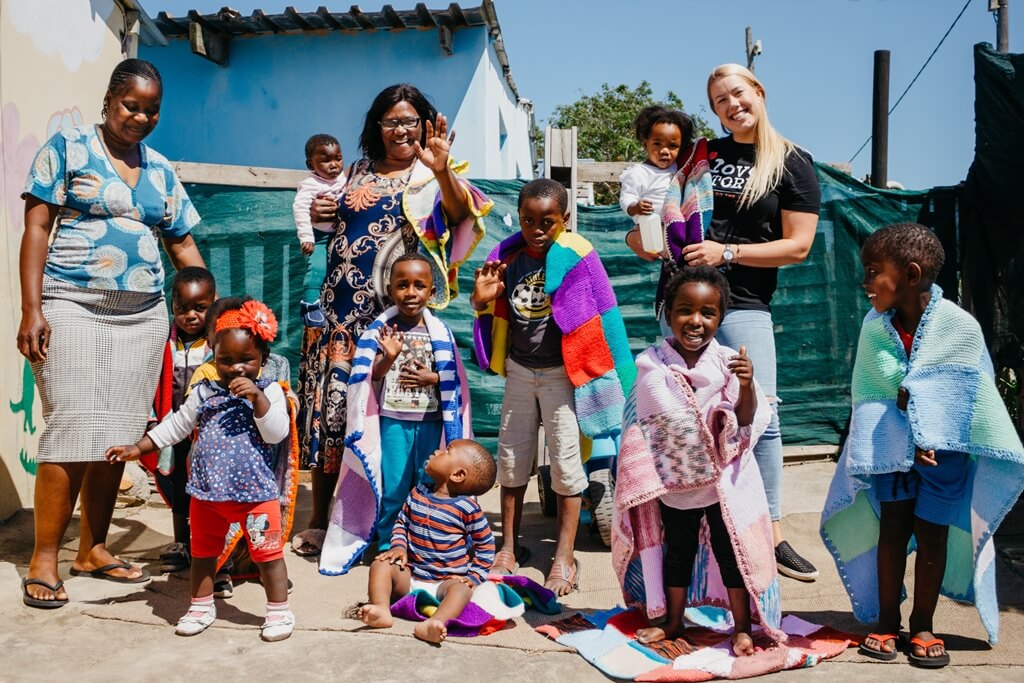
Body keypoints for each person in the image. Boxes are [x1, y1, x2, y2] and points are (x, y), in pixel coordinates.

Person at [17, 58, 204, 609]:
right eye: (131, 105)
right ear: (108, 99)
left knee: (117, 434)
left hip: (143, 315)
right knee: (71, 426)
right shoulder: (69, 147)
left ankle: (93, 549)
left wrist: (210, 305)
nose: (141, 117)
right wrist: (33, 310)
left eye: (151, 109)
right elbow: (36, 227)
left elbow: (183, 245)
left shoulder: (161, 169)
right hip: (72, 304)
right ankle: (45, 557)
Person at [633, 64, 821, 581]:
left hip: (743, 304)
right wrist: (647, 238)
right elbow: (654, 222)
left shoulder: (792, 162)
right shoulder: (701, 155)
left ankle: (770, 533)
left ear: (758, 92)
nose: (731, 105)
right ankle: (689, 531)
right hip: (682, 300)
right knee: (680, 415)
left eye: (737, 94)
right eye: (719, 101)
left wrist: (728, 251)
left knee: (759, 417)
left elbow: (798, 245)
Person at [296, 83, 491, 560]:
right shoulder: (357, 170)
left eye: (409, 121)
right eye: (391, 121)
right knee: (335, 414)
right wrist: (322, 210)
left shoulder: (431, 174)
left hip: (393, 318)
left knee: (391, 421)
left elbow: (458, 213)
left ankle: (397, 525)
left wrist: (441, 169)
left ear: (425, 127)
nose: (400, 130)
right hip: (341, 310)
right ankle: (327, 522)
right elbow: (329, 222)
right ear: (376, 127)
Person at [821, 223, 1024, 668]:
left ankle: (924, 622)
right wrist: (908, 434)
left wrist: (933, 427)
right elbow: (874, 397)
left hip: (945, 455)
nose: (865, 282)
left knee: (932, 536)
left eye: (874, 271)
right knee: (892, 530)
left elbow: (970, 394)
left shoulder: (961, 329)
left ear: (910, 275)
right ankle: (888, 621)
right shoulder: (875, 328)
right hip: (892, 452)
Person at [472, 178, 634, 596]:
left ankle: (564, 555)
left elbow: (605, 312)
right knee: (511, 460)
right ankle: (507, 547)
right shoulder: (507, 258)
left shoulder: (579, 257)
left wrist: (621, 373)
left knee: (565, 463)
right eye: (528, 220)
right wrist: (480, 301)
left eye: (548, 221)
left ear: (565, 219)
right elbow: (488, 308)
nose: (537, 229)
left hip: (565, 374)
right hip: (520, 371)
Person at [106, 298, 295, 641]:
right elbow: (176, 425)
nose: (236, 368)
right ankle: (201, 604)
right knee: (203, 554)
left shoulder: (270, 392)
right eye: (226, 360)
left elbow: (276, 432)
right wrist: (138, 447)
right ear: (213, 357)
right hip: (207, 495)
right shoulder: (205, 391)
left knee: (267, 555)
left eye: (247, 360)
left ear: (263, 360)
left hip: (256, 496)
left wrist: (257, 399)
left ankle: (279, 611)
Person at [613, 265, 780, 655]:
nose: (696, 321)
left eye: (708, 313)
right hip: (673, 482)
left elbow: (746, 419)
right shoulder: (651, 365)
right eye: (685, 310)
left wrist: (744, 384)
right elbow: (642, 421)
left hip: (723, 482)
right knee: (679, 552)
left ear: (720, 318)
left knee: (731, 552)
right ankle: (673, 621)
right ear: (667, 312)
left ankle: (741, 626)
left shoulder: (728, 363)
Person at [359, 439, 496, 644]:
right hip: (412, 575)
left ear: (457, 475)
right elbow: (402, 523)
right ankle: (381, 608)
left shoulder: (467, 508)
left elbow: (485, 545)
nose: (438, 450)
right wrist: (398, 546)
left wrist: (475, 576)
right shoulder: (418, 493)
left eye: (447, 451)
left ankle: (436, 622)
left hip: (446, 583)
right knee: (380, 564)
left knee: (462, 590)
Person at [157, 266, 217, 574]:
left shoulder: (218, 344)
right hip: (177, 429)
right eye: (181, 309)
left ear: (213, 303)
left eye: (200, 308)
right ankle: (182, 542)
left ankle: (211, 546)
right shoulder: (166, 343)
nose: (190, 315)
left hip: (209, 433)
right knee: (178, 484)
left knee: (209, 490)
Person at [293, 133, 346, 328]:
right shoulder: (310, 185)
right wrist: (306, 237)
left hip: (340, 234)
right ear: (310, 165)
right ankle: (310, 305)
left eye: (338, 158)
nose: (333, 165)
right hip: (319, 236)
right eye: (325, 161)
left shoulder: (344, 179)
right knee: (316, 267)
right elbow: (300, 209)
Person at [619, 105, 692, 239]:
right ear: (645, 143)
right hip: (650, 227)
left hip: (677, 227)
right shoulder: (639, 172)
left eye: (673, 146)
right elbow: (627, 197)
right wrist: (635, 207)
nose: (664, 151)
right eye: (657, 144)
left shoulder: (680, 168)